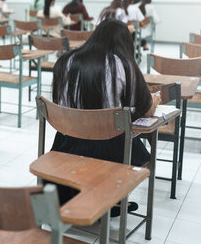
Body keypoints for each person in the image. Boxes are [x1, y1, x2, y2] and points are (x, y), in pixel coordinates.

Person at [51, 18, 161, 213]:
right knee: (131, 134)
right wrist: (156, 99)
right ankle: (112, 200)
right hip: (108, 146)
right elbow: (145, 110)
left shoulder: (66, 60)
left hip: (66, 142)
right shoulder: (123, 65)